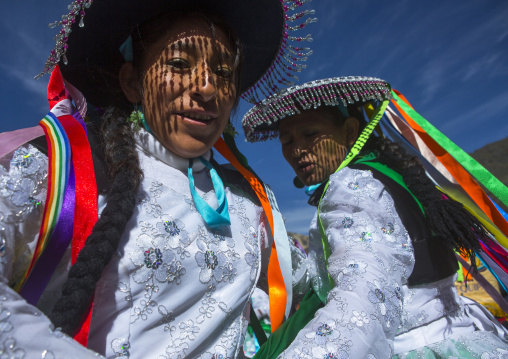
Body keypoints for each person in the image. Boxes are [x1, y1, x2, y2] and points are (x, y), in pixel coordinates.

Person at [0, 0, 316, 357]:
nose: (208, 88)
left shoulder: (250, 201)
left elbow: (314, 285)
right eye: (180, 64)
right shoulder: (68, 170)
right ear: (133, 82)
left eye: (225, 73)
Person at [242, 76, 508, 358]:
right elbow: (337, 274)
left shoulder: (351, 188)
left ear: (349, 130)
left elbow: (363, 293)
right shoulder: (389, 177)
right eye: (287, 140)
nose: (297, 150)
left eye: (310, 134)